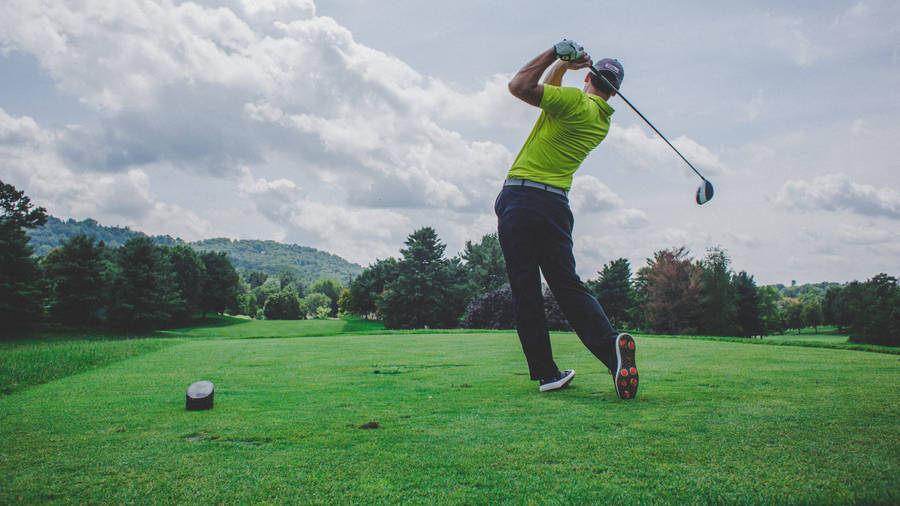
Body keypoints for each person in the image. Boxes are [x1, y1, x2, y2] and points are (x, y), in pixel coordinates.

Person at [495, 40, 638, 399]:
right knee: (568, 286)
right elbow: (552, 92)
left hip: (522, 199)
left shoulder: (575, 103)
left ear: (589, 77)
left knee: (526, 290)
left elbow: (520, 86)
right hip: (556, 207)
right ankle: (611, 352)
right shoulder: (600, 119)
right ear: (615, 94)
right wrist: (563, 67)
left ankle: (546, 373)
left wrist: (552, 53)